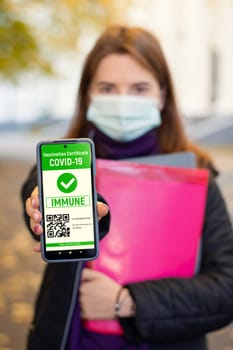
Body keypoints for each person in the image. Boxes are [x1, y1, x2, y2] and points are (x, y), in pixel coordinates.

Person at [21, 25, 233, 350]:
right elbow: (37, 198)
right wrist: (42, 206)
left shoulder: (197, 176)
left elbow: (225, 289)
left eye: (138, 89)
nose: (122, 100)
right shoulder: (61, 165)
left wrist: (127, 302)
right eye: (107, 88)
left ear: (162, 95)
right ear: (88, 94)